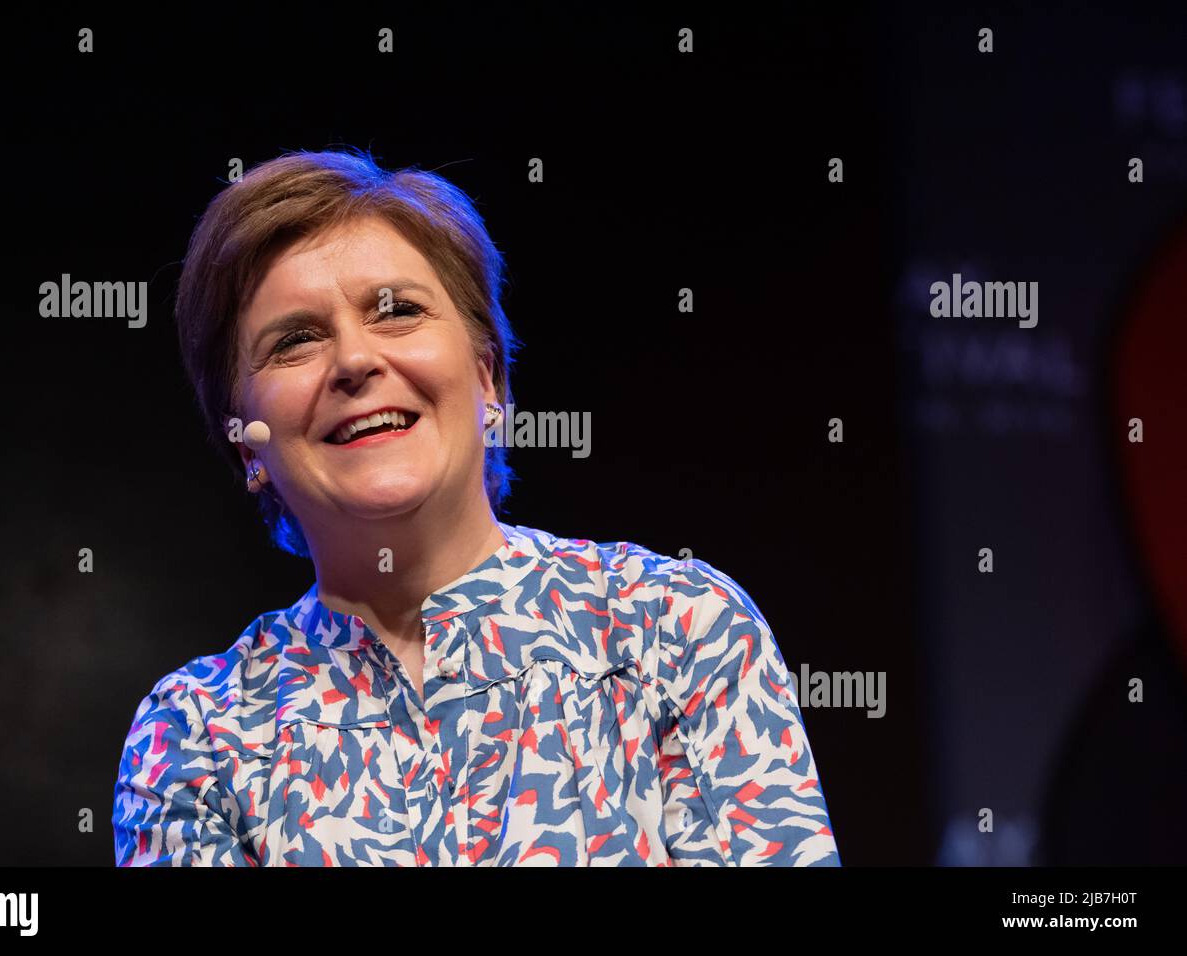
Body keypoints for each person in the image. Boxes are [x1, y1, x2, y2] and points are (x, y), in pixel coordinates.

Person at [111, 148, 840, 866]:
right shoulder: (197, 733)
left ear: (487, 378)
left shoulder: (677, 628)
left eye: (396, 312)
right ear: (246, 446)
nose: (355, 362)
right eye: (296, 341)